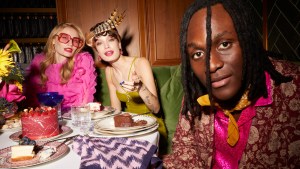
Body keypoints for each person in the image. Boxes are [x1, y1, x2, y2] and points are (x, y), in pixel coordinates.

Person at [163, 0, 300, 168]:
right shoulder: (195, 95)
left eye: (224, 44)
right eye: (198, 53)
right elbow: (184, 153)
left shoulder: (293, 88)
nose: (212, 65)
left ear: (247, 39)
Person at [86, 9, 167, 140]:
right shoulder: (109, 71)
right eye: (100, 43)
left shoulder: (140, 63)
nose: (106, 46)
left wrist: (140, 87)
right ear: (98, 52)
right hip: (127, 127)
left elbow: (156, 109)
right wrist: (100, 114)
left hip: (150, 127)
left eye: (111, 40)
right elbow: (116, 110)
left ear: (119, 43)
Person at [23, 22, 97, 113]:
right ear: (54, 40)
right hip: (45, 120)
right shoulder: (39, 64)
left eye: (75, 40)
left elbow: (85, 102)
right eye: (65, 38)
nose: (70, 44)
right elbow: (31, 103)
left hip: (76, 119)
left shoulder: (83, 62)